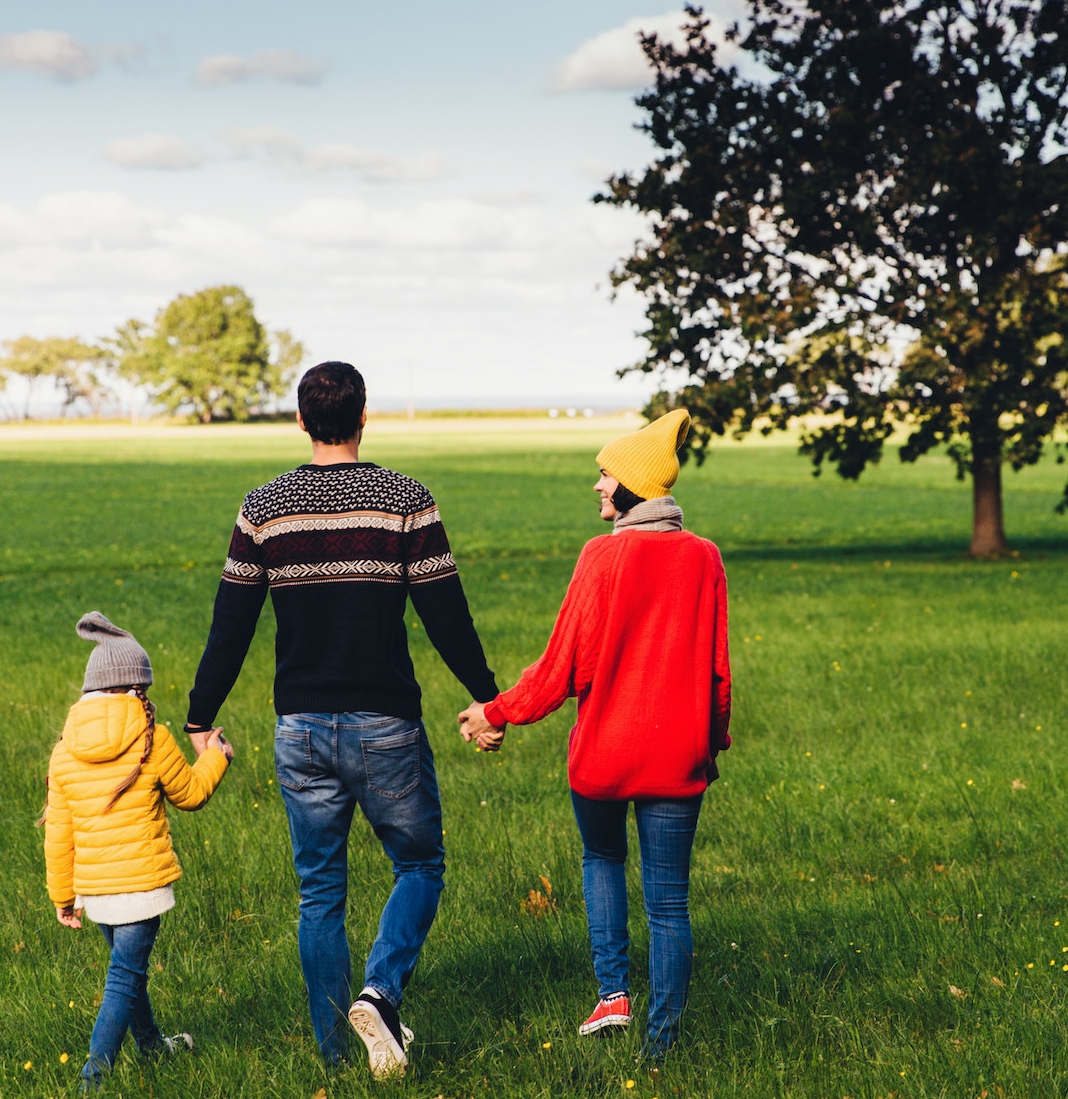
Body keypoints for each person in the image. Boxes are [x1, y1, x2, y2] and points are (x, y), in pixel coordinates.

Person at [184, 361, 501, 1079]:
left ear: (301, 421)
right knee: (419, 863)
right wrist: (488, 697)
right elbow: (445, 613)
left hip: (299, 726)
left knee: (320, 890)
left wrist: (200, 715)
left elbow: (229, 623)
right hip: (385, 720)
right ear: (364, 416)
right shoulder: (405, 499)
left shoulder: (263, 506)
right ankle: (380, 994)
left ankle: (334, 1054)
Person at [458, 408, 730, 1057]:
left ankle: (613, 994)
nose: (598, 485)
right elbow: (718, 672)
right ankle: (659, 1048)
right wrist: (709, 746)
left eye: (605, 474)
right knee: (669, 903)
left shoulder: (602, 556)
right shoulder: (703, 557)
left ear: (634, 484)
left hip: (604, 757)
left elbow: (561, 667)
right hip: (677, 757)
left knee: (602, 859)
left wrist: (494, 712)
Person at [45, 612, 234, 1092]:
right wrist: (217, 756)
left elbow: (59, 831)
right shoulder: (152, 738)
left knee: (128, 975)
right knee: (124, 980)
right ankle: (93, 1079)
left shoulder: (65, 749)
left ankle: (151, 1046)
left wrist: (63, 894)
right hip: (142, 887)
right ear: (136, 688)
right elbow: (190, 794)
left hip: (97, 891)